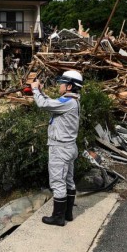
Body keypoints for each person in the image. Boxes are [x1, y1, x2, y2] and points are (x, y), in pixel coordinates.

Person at [31, 70, 83, 226]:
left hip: (60, 148)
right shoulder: (70, 100)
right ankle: (67, 214)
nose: (59, 85)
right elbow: (52, 104)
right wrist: (41, 92)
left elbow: (43, 104)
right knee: (68, 181)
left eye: (62, 83)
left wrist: (35, 90)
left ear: (69, 86)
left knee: (58, 182)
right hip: (69, 147)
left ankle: (58, 217)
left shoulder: (68, 102)